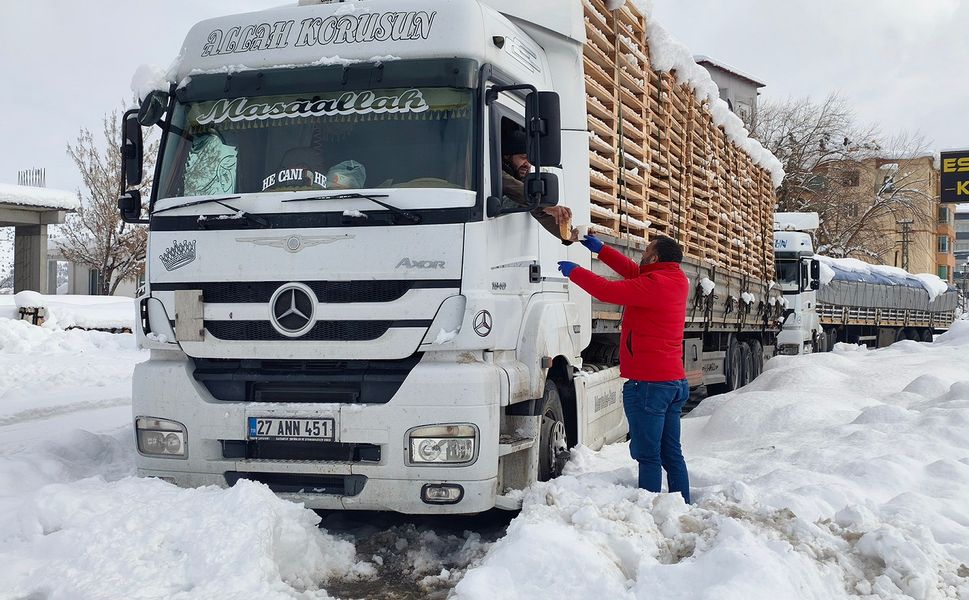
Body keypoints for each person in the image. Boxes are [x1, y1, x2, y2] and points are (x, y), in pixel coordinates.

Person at [557, 234, 691, 502]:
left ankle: (648, 512)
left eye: (647, 250)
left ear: (654, 258)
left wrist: (576, 272)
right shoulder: (675, 280)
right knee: (671, 453)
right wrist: (601, 250)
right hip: (673, 382)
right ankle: (681, 505)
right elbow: (635, 272)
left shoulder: (653, 285)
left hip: (649, 384)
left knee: (648, 455)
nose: (642, 254)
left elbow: (607, 291)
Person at [500, 128, 574, 243]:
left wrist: (571, 234)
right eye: (523, 157)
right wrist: (542, 204)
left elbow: (538, 210)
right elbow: (511, 185)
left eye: (531, 160)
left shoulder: (524, 182)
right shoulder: (494, 173)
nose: (528, 164)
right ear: (507, 156)